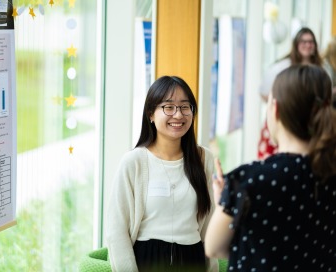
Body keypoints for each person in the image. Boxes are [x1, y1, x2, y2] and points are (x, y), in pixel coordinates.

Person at [205, 65, 336, 271]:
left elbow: (214, 248)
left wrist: (226, 200)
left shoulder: (248, 180)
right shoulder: (329, 174)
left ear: (275, 109)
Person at [106, 75, 218, 272]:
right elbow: (117, 229)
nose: (178, 115)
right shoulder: (134, 162)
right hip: (147, 260)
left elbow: (210, 223)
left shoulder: (204, 159)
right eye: (168, 107)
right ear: (151, 113)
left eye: (185, 107)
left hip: (193, 259)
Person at [257, 27, 322, 160]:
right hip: (283, 117)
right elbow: (264, 91)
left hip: (309, 120)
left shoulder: (320, 68)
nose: (307, 45)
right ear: (296, 44)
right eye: (303, 42)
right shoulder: (282, 66)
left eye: (310, 42)